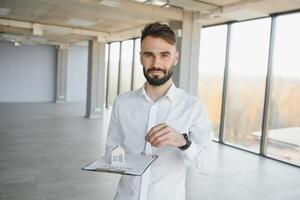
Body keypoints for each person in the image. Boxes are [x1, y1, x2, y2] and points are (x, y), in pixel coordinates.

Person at [105, 22, 215, 200]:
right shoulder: (122, 102)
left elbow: (208, 166)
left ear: (175, 58)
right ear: (141, 57)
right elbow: (113, 149)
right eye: (149, 55)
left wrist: (183, 142)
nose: (156, 64)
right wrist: (121, 162)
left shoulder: (193, 107)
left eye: (164, 55)